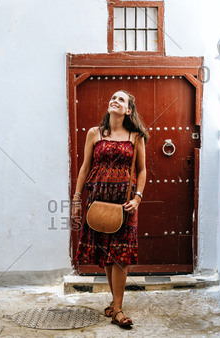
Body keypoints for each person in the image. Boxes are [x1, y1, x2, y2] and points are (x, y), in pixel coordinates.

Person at [72, 90, 148, 328]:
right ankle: (115, 303)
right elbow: (85, 167)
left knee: (121, 255)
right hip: (97, 200)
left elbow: (142, 170)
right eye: (113, 97)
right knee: (106, 253)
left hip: (124, 205)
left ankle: (118, 308)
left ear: (128, 110)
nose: (115, 100)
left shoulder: (136, 137)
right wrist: (76, 198)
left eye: (121, 100)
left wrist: (137, 198)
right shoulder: (95, 133)